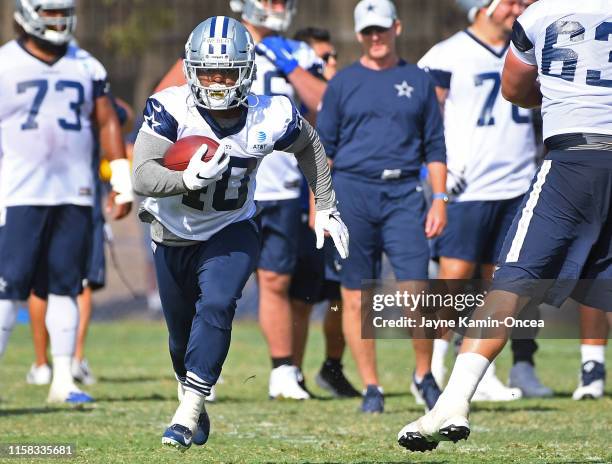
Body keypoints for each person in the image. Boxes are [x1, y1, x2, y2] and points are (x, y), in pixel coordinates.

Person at [398, 0, 612, 451]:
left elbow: (514, 87)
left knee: (509, 284)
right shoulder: (453, 51)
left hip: (572, 163)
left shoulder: (537, 17)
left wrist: (561, 91)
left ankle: (453, 399)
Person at [131, 16, 349, 450]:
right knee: (180, 336)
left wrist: (326, 205)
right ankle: (192, 393)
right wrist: (185, 181)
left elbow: (310, 146)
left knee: (217, 302)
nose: (215, 81)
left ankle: (187, 411)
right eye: (207, 70)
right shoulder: (171, 108)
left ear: (245, 70)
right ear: (191, 68)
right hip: (172, 232)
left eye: (226, 71)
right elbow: (142, 175)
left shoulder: (271, 112)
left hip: (232, 228)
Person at [153, 0, 328, 401]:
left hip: (279, 185)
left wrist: (291, 65)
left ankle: (285, 368)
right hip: (212, 194)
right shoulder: (210, 46)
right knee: (208, 289)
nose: (278, 7)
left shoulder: (296, 52)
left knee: (281, 280)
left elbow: (326, 105)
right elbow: (163, 102)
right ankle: (200, 370)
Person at [317, 0, 448, 413]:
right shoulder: (341, 84)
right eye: (368, 30)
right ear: (358, 35)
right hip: (351, 193)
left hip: (404, 194)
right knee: (356, 295)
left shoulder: (418, 80)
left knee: (417, 290)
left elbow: (435, 147)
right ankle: (372, 387)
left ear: (397, 28)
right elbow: (321, 153)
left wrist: (440, 199)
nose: (376, 37)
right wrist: (318, 207)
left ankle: (424, 376)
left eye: (382, 28)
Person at [0, 0, 133, 404]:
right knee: (6, 289)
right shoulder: (5, 63)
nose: (58, 21)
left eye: (63, 13)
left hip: (74, 192)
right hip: (19, 192)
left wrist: (123, 179)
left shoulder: (86, 64)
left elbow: (108, 120)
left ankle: (63, 380)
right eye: (50, 13)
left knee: (65, 287)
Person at [418, 0, 551, 400]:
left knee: (502, 283)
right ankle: (433, 367)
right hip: (466, 186)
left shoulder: (530, 48)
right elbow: (423, 118)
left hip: (517, 184)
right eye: (511, 1)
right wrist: (433, 175)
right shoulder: (447, 54)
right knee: (454, 278)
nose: (520, 8)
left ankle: (479, 371)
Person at [26, 96, 134, 387]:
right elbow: (124, 114)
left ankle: (42, 365)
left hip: (32, 195)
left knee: (40, 282)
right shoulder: (83, 86)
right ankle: (73, 360)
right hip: (79, 197)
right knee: (79, 282)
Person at [287, 26, 359, 398]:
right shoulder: (293, 103)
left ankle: (332, 366)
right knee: (299, 296)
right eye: (322, 59)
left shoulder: (342, 95)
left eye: (332, 57)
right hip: (298, 209)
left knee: (338, 295)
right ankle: (289, 371)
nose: (331, 63)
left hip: (337, 210)